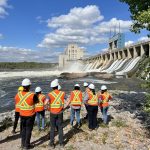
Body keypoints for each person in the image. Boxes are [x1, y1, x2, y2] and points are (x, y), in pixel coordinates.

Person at [15, 78, 38, 149]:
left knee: (23, 130)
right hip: (30, 115)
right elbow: (37, 101)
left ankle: (22, 144)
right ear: (29, 86)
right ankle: (26, 145)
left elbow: (16, 101)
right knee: (28, 130)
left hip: (22, 115)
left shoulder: (18, 95)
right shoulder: (32, 95)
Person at [45, 79, 66, 148]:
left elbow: (45, 103)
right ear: (57, 86)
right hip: (60, 112)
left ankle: (51, 144)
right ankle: (61, 143)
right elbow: (66, 100)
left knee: (52, 128)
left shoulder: (49, 94)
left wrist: (48, 109)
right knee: (60, 128)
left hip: (52, 113)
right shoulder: (62, 93)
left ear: (52, 87)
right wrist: (64, 107)